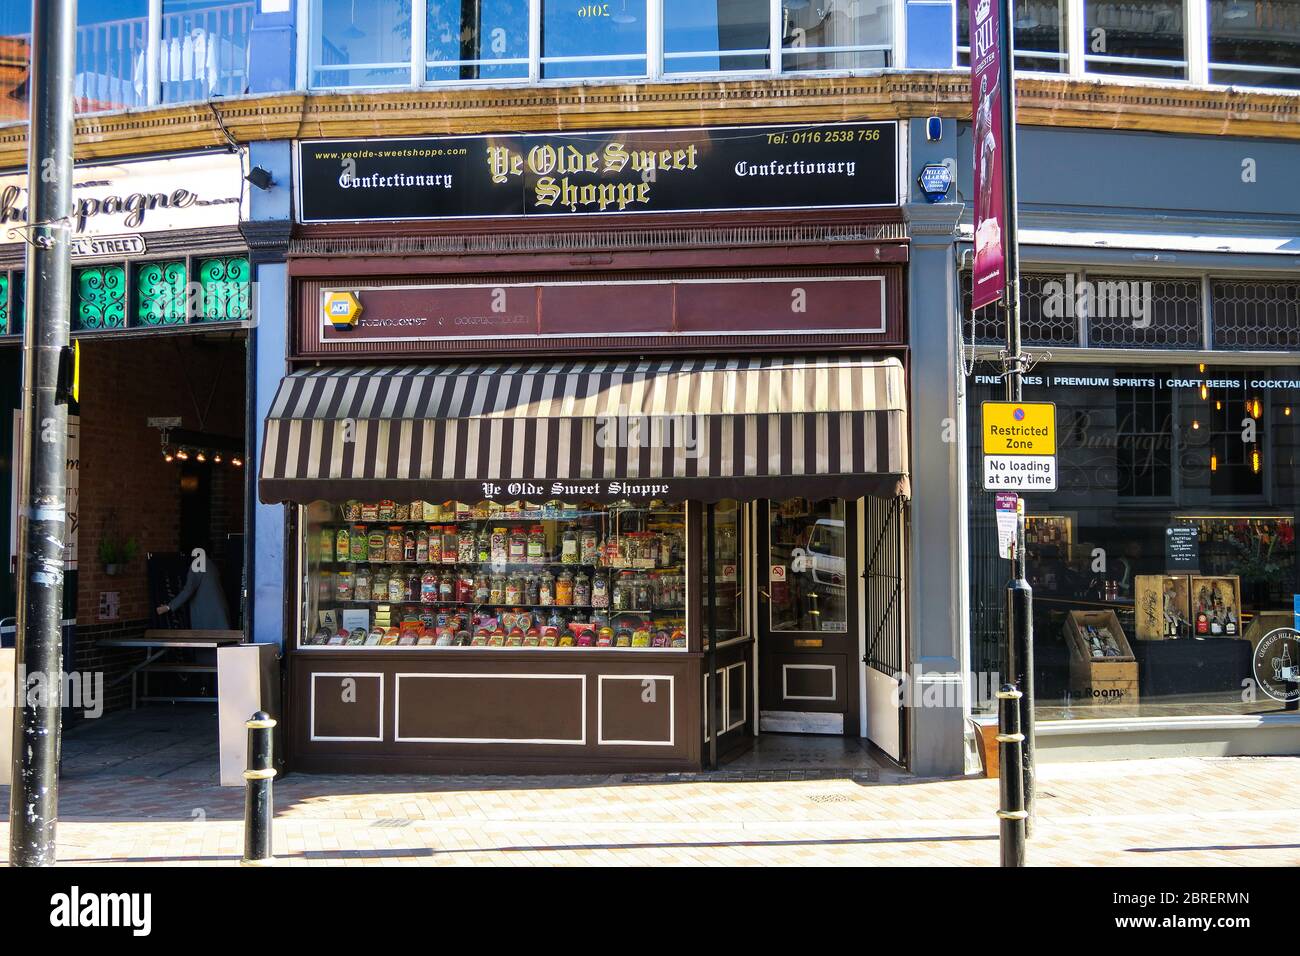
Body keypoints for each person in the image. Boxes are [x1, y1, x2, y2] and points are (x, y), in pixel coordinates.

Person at [156, 545, 231, 629]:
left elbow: (188, 590)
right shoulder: (210, 563)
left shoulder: (198, 564)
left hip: (208, 618)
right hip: (218, 616)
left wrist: (168, 607)